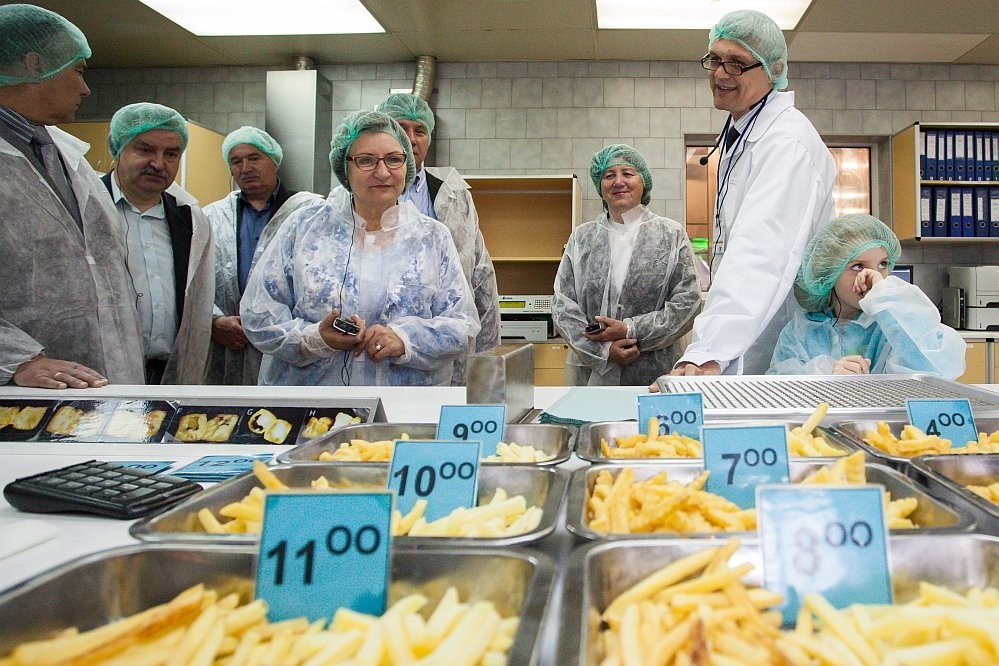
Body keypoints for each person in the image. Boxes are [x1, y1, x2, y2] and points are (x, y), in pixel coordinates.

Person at [240, 110, 480, 386]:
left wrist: (404, 340)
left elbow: (462, 323)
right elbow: (259, 314)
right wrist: (315, 338)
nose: (382, 172)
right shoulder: (304, 227)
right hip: (314, 403)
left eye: (394, 159)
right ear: (345, 168)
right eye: (366, 160)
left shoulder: (432, 237)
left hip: (401, 404)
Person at [667, 9, 837, 381]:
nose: (720, 73)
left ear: (773, 70)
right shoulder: (746, 132)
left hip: (778, 343)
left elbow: (761, 252)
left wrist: (709, 351)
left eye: (737, 63)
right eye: (714, 59)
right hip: (750, 337)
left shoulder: (786, 143)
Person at [0, 4, 143, 388]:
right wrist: (15, 359)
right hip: (22, 398)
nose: (85, 88)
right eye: (78, 71)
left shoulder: (64, 154)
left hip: (108, 386)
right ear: (33, 64)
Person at [375, 93, 500, 384]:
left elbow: (479, 272)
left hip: (443, 343)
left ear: (429, 139)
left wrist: (486, 348)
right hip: (377, 346)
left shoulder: (454, 195)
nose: (410, 139)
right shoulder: (364, 194)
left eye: (419, 131)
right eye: (400, 128)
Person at [553, 144, 701, 386]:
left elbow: (688, 303)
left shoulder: (671, 234)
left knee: (651, 413)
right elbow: (563, 306)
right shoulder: (582, 238)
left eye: (628, 173)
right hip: (591, 377)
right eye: (609, 175)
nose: (618, 182)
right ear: (600, 186)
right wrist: (602, 351)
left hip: (655, 374)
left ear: (644, 183)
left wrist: (631, 330)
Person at [768, 214, 965, 378]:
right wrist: (824, 377)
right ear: (829, 272)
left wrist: (884, 296)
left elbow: (936, 369)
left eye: (883, 264)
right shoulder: (802, 332)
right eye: (857, 266)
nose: (872, 276)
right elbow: (781, 389)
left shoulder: (894, 327)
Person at [101, 102, 215, 384]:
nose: (158, 163)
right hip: (101, 375)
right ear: (117, 148)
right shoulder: (85, 206)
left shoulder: (190, 219)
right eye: (145, 150)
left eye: (171, 154)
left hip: (169, 374)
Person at [202, 126, 323, 385]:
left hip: (290, 343)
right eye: (236, 161)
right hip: (229, 343)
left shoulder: (310, 211)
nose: (245, 168)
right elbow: (194, 278)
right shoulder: (212, 216)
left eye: (254, 158)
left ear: (274, 161)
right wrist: (213, 320)